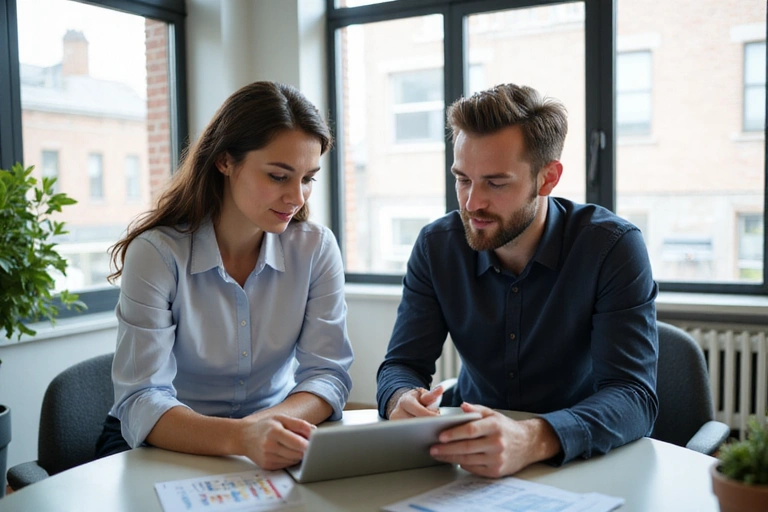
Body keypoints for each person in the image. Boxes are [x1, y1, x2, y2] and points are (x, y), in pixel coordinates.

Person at [376, 83, 658, 478]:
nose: (472, 202)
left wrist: (532, 438)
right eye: (462, 179)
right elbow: (402, 364)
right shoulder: (437, 246)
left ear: (548, 178)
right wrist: (399, 397)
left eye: (495, 182)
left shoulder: (612, 247)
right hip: (473, 461)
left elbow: (634, 396)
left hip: (584, 460)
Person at [95, 81, 354, 471]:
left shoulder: (315, 248)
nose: (298, 197)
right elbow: (142, 398)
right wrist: (241, 437)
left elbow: (327, 375)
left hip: (267, 440)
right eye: (278, 176)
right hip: (165, 441)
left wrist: (263, 428)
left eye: (308, 178)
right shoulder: (158, 254)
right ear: (225, 161)